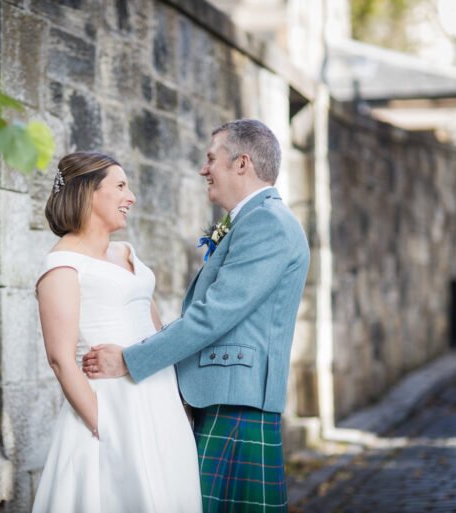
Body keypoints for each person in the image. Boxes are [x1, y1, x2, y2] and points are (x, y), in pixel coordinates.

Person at [82, 119, 310, 513]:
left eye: (211, 159)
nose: (204, 169)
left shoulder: (267, 223)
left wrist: (129, 359)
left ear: (242, 164)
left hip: (237, 404)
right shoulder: (253, 220)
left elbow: (213, 315)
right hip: (226, 397)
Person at [32, 152, 202, 513]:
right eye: (121, 186)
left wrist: (177, 399)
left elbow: (156, 330)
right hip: (112, 407)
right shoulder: (62, 265)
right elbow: (60, 359)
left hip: (161, 401)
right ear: (90, 193)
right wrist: (103, 425)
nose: (132, 197)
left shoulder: (127, 253)